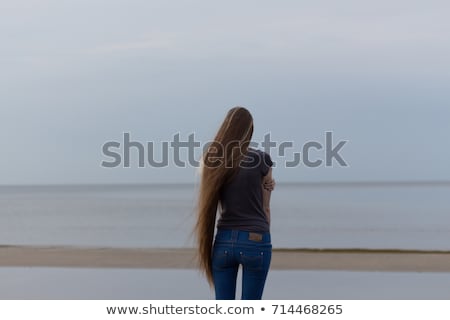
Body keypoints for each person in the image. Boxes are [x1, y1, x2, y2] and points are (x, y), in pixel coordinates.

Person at [195, 106, 275, 300]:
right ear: (249, 131)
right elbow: (265, 208)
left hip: (223, 242)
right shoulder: (261, 159)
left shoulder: (213, 159)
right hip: (255, 240)